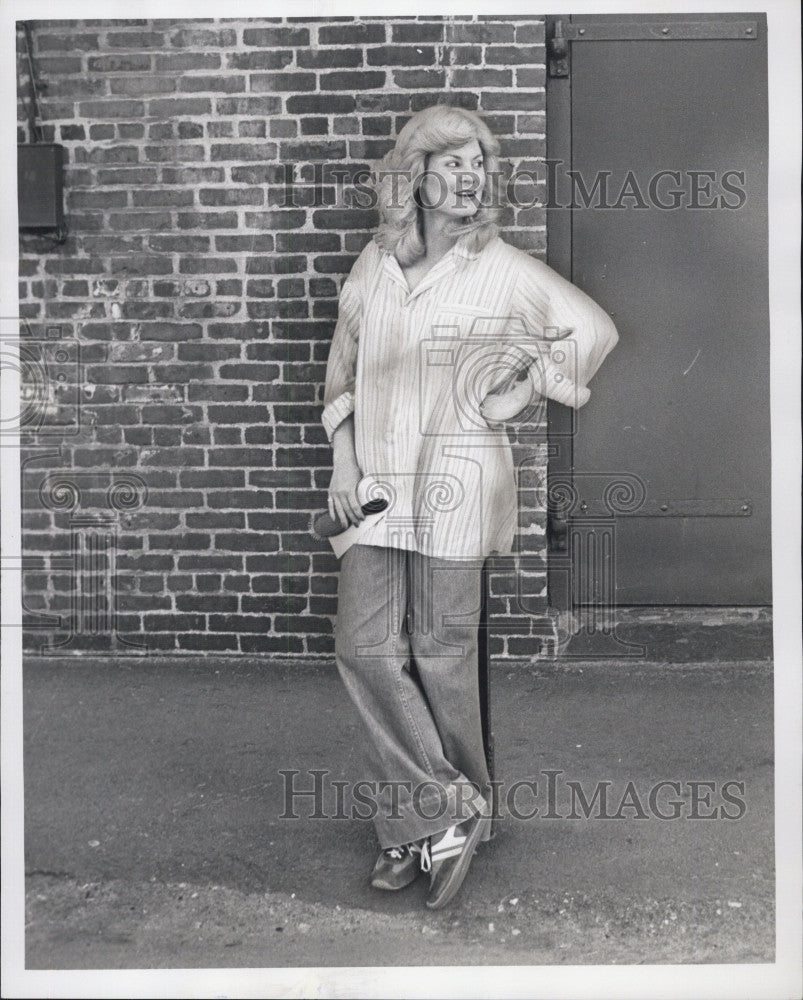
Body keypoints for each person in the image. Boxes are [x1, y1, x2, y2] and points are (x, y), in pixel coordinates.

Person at [321, 104, 618, 910]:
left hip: (458, 483)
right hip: (375, 488)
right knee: (365, 648)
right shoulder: (374, 264)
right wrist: (342, 461)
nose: (469, 177)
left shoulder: (504, 270)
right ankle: (449, 811)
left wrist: (518, 389)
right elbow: (342, 373)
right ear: (412, 178)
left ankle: (414, 830)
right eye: (450, 163)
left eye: (478, 164)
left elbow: (588, 331)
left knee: (442, 657)